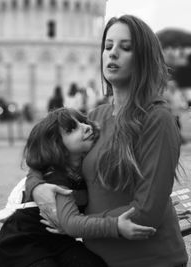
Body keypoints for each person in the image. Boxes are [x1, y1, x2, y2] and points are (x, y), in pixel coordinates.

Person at [25, 15, 188, 267]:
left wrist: (74, 223)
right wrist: (37, 186)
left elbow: (146, 214)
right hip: (99, 260)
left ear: (143, 58)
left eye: (125, 48)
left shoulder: (158, 119)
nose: (112, 54)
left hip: (152, 260)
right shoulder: (95, 118)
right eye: (108, 46)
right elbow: (49, 156)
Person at [0, 107, 155, 267]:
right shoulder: (56, 178)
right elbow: (71, 223)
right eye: (72, 129)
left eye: (84, 122)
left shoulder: (85, 167)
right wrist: (115, 226)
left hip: (59, 240)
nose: (86, 127)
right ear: (56, 146)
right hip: (25, 240)